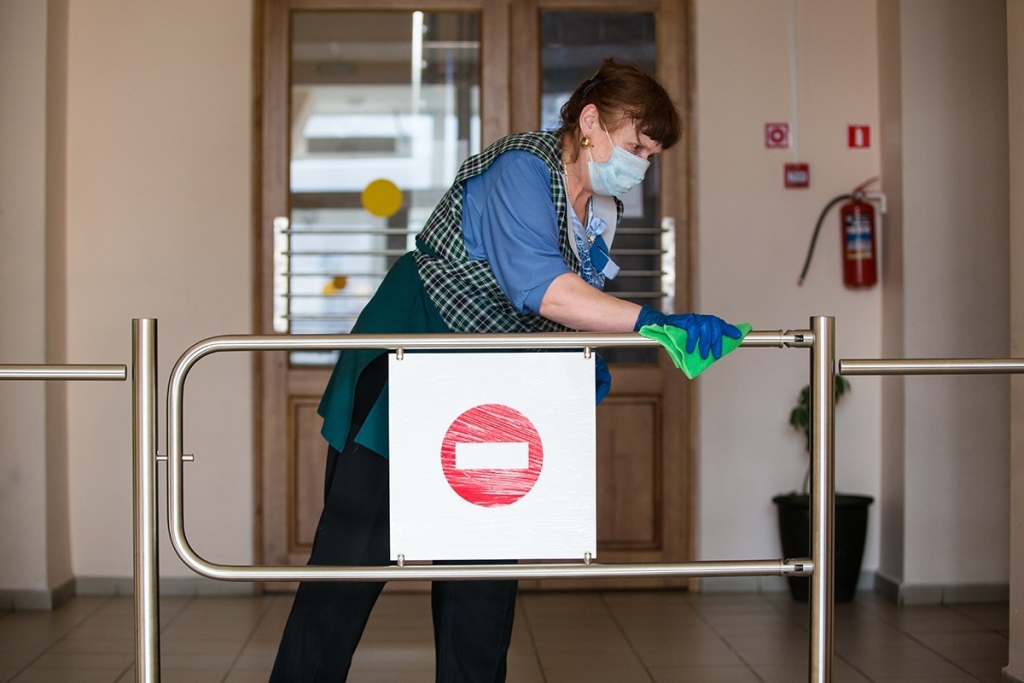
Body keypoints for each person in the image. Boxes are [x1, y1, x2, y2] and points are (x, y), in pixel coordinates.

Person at [269, 57, 741, 683]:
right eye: (635, 147)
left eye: (651, 156)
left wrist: (577, 362)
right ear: (590, 122)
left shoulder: (601, 210)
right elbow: (540, 288)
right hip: (410, 360)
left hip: (491, 389)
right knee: (352, 559)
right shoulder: (521, 168)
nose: (641, 166)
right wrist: (654, 322)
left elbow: (569, 305)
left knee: (483, 573)